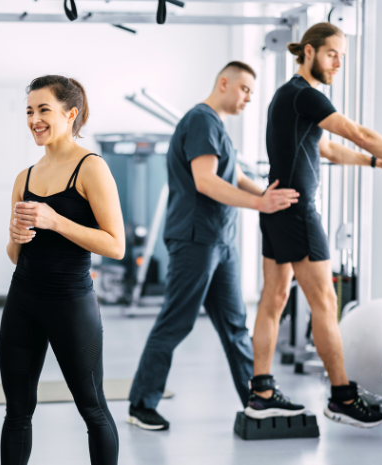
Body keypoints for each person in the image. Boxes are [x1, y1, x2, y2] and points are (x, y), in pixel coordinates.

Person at [127, 62, 300, 431]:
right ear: (225, 83)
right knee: (176, 322)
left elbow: (232, 174)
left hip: (220, 240)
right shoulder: (201, 120)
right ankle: (142, 404)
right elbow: (205, 181)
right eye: (245, 90)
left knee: (236, 326)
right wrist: (259, 204)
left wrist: (269, 194)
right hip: (196, 238)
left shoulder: (216, 127)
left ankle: (257, 399)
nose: (249, 98)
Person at [248, 22, 382, 428]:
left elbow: (325, 147)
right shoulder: (305, 94)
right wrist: (377, 148)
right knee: (325, 303)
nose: (338, 62)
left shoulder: (289, 96)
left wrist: (376, 162)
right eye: (332, 54)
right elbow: (356, 132)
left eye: (342, 56)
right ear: (308, 52)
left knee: (273, 300)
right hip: (298, 211)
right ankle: (342, 397)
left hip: (277, 208)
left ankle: (261, 392)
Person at [1, 75, 124, 465]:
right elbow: (15, 255)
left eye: (43, 110)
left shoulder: (91, 168)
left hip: (71, 304)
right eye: (29, 111)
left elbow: (115, 245)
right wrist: (17, 235)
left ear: (70, 115)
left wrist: (56, 221)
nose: (34, 119)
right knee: (17, 411)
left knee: (93, 408)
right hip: (22, 302)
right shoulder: (25, 177)